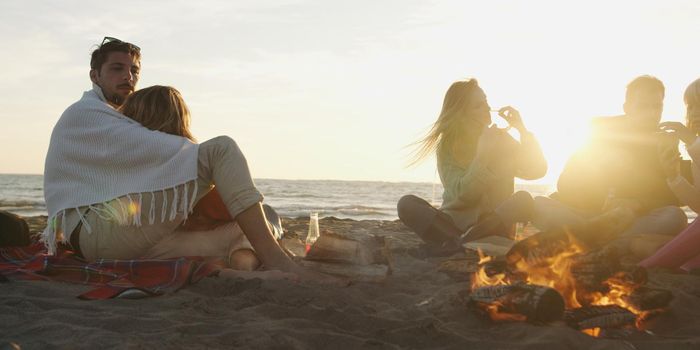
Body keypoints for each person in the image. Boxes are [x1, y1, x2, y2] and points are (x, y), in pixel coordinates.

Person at [42, 37, 333, 282]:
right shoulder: (85, 115)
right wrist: (207, 168)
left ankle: (244, 269)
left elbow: (149, 161)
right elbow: (165, 151)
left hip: (128, 241)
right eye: (117, 69)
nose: (128, 77)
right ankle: (278, 263)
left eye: (134, 71)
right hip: (99, 233)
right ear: (95, 76)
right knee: (220, 149)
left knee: (253, 221)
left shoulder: (115, 121)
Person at [532, 75, 688, 250]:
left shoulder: (665, 141)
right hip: (589, 214)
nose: (652, 114)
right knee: (539, 204)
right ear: (627, 108)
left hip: (631, 220)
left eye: (657, 107)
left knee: (675, 217)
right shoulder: (600, 131)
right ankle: (606, 242)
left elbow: (674, 194)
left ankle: (585, 240)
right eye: (643, 106)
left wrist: (638, 204)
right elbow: (565, 185)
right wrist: (604, 199)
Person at [397, 79, 547, 254]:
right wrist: (483, 155)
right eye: (479, 105)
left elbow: (537, 170)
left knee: (524, 199)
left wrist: (522, 130)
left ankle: (459, 242)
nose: (487, 108)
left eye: (486, 102)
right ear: (463, 113)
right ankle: (463, 240)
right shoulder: (447, 145)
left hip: (494, 223)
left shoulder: (502, 138)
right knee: (406, 204)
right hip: (454, 223)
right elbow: (463, 196)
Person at [639, 78, 700, 272]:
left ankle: (647, 267)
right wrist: (674, 176)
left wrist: (691, 141)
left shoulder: (695, 148)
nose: (695, 112)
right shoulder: (695, 152)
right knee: (687, 265)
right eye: (691, 107)